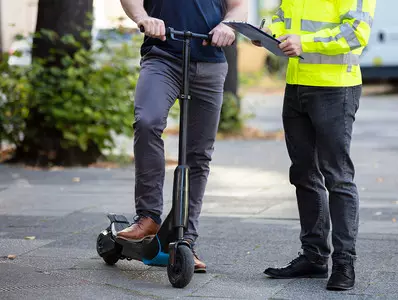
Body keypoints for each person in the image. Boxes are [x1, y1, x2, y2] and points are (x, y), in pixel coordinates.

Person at [118, 0, 248, 273]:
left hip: (210, 60)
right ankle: (148, 216)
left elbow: (238, 6)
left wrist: (228, 25)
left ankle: (185, 238)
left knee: (198, 154)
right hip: (162, 57)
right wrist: (143, 17)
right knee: (147, 122)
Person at [256, 0, 376, 291]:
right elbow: (284, 16)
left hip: (335, 89)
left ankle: (344, 264)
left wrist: (305, 43)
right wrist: (267, 31)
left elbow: (356, 33)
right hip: (296, 85)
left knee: (337, 176)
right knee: (303, 173)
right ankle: (314, 257)